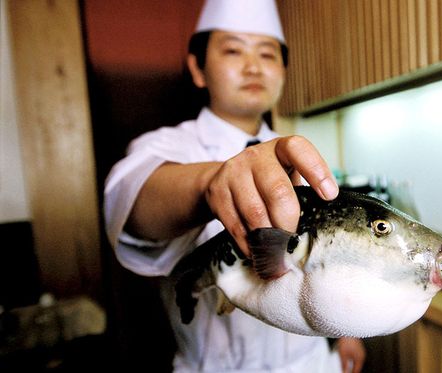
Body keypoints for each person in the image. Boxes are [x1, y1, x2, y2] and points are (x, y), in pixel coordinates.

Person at [103, 0, 366, 372]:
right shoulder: (163, 148)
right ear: (198, 68)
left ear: (283, 70)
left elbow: (326, 253)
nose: (253, 66)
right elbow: (131, 203)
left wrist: (344, 334)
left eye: (267, 53)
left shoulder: (302, 153)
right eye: (232, 50)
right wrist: (212, 181)